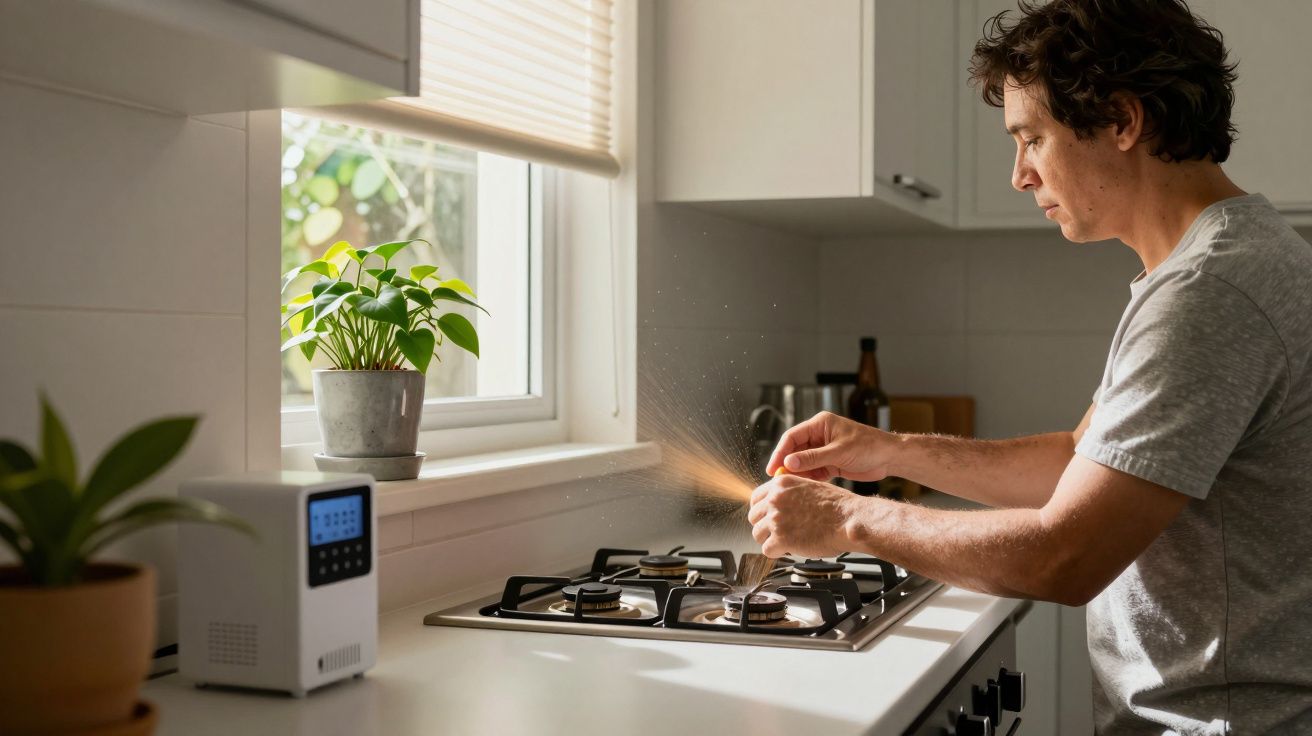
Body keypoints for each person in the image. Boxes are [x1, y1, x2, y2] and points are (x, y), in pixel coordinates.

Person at [747, 0, 1312, 732]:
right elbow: (1082, 458)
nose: (1020, 175)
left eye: (1032, 139)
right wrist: (888, 450)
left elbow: (1064, 556)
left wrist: (851, 518)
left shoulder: (1211, 294)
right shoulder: (1214, 267)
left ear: (1121, 121)